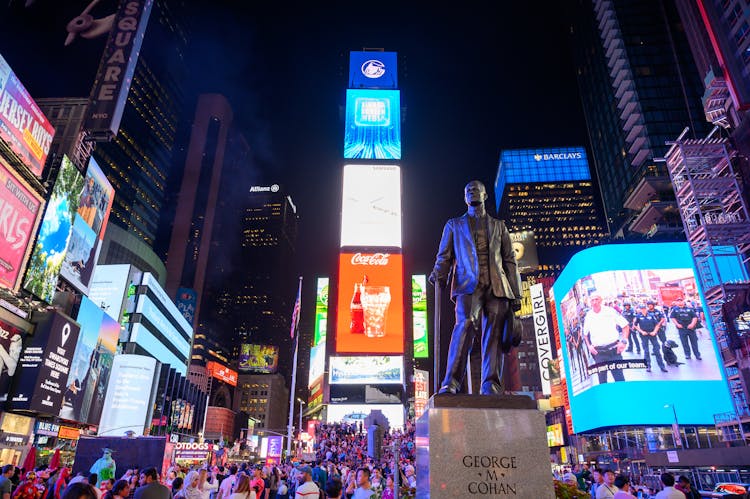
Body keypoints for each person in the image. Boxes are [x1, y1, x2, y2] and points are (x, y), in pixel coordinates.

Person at [429, 180, 522, 394]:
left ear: (485, 195)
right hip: (467, 284)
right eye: (468, 190)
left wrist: (516, 295)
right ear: (465, 197)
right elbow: (444, 255)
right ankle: (451, 382)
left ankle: (491, 384)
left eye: (476, 188)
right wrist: (439, 273)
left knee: (494, 334)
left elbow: (509, 260)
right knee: (465, 326)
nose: (472, 191)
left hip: (497, 285)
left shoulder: (499, 226)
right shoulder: (454, 225)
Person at [582, 294, 630, 384]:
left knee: (619, 379)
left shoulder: (610, 311)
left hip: (614, 351)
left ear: (601, 300)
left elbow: (625, 326)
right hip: (599, 353)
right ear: (590, 302)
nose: (595, 302)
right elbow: (585, 334)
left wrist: (624, 341)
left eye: (597, 299)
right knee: (602, 381)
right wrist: (589, 346)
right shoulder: (588, 315)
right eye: (592, 300)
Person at [635, 304, 668, 373]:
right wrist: (641, 331)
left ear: (646, 309)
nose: (643, 310)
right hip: (644, 335)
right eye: (642, 309)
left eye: (644, 308)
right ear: (640, 310)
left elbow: (657, 325)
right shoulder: (638, 316)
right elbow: (635, 325)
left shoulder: (651, 315)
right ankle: (648, 366)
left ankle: (662, 366)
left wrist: (655, 331)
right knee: (646, 351)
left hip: (652, 334)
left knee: (657, 351)